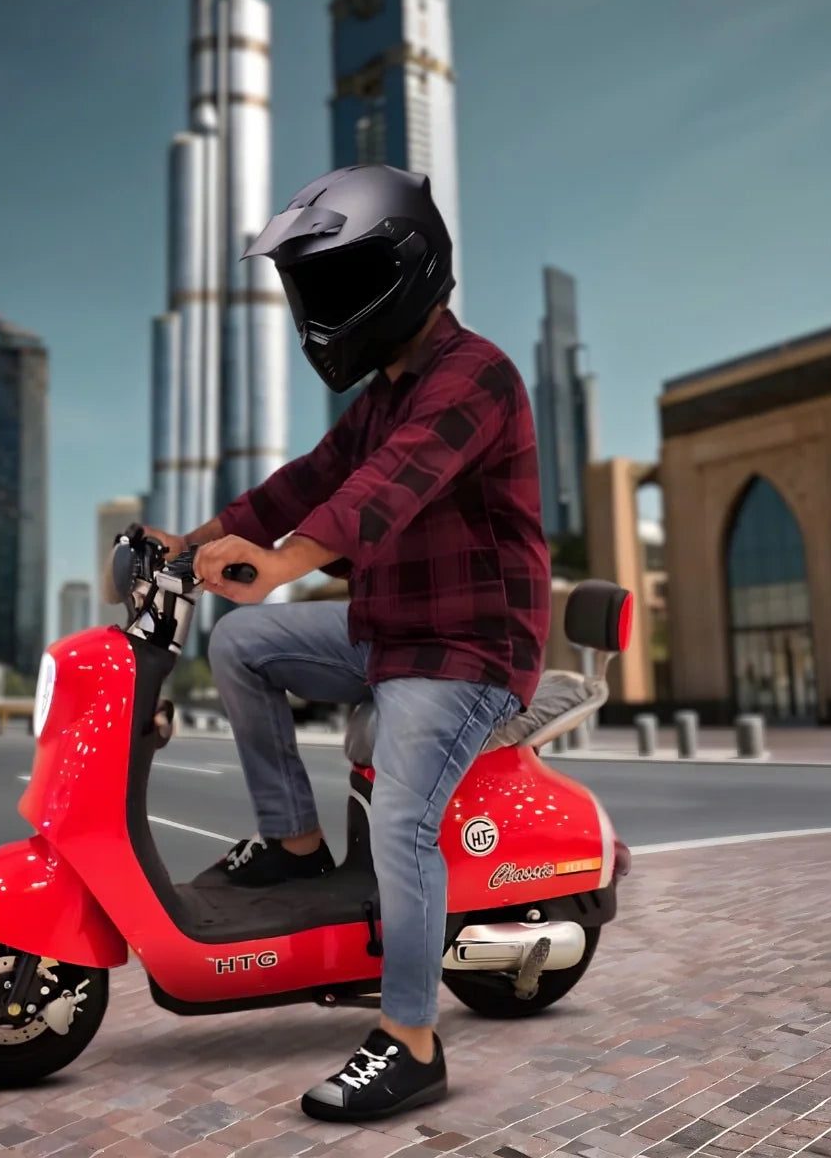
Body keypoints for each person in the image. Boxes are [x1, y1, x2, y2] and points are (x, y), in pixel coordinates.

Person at [147, 163, 550, 1124]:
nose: (322, 309)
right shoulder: (379, 394)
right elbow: (308, 477)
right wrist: (196, 541)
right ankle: (294, 843)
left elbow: (389, 487)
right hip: (389, 628)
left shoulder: (476, 374)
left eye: (335, 283)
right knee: (243, 647)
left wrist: (283, 564)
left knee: (407, 817)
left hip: (467, 646)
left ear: (406, 273)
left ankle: (412, 1041)